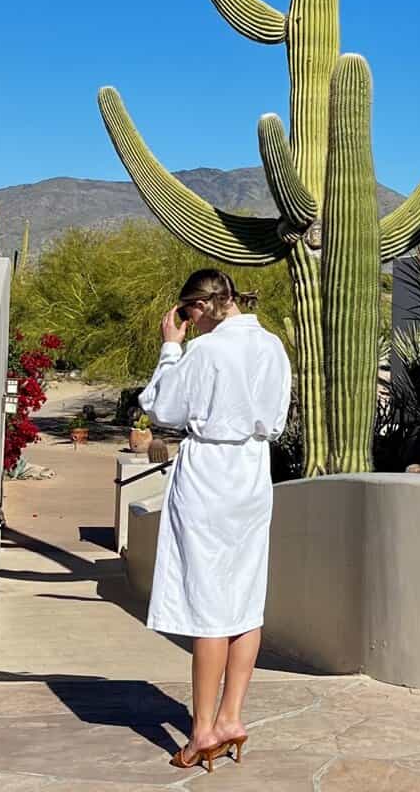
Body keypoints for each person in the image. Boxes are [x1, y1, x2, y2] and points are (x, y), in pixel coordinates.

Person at [138, 268, 291, 772]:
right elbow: (277, 418)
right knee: (245, 596)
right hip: (252, 472)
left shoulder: (204, 350)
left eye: (187, 314)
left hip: (209, 474)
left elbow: (163, 408)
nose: (187, 324)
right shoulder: (271, 346)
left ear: (200, 308)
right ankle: (231, 718)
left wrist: (169, 348)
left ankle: (202, 730)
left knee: (208, 602)